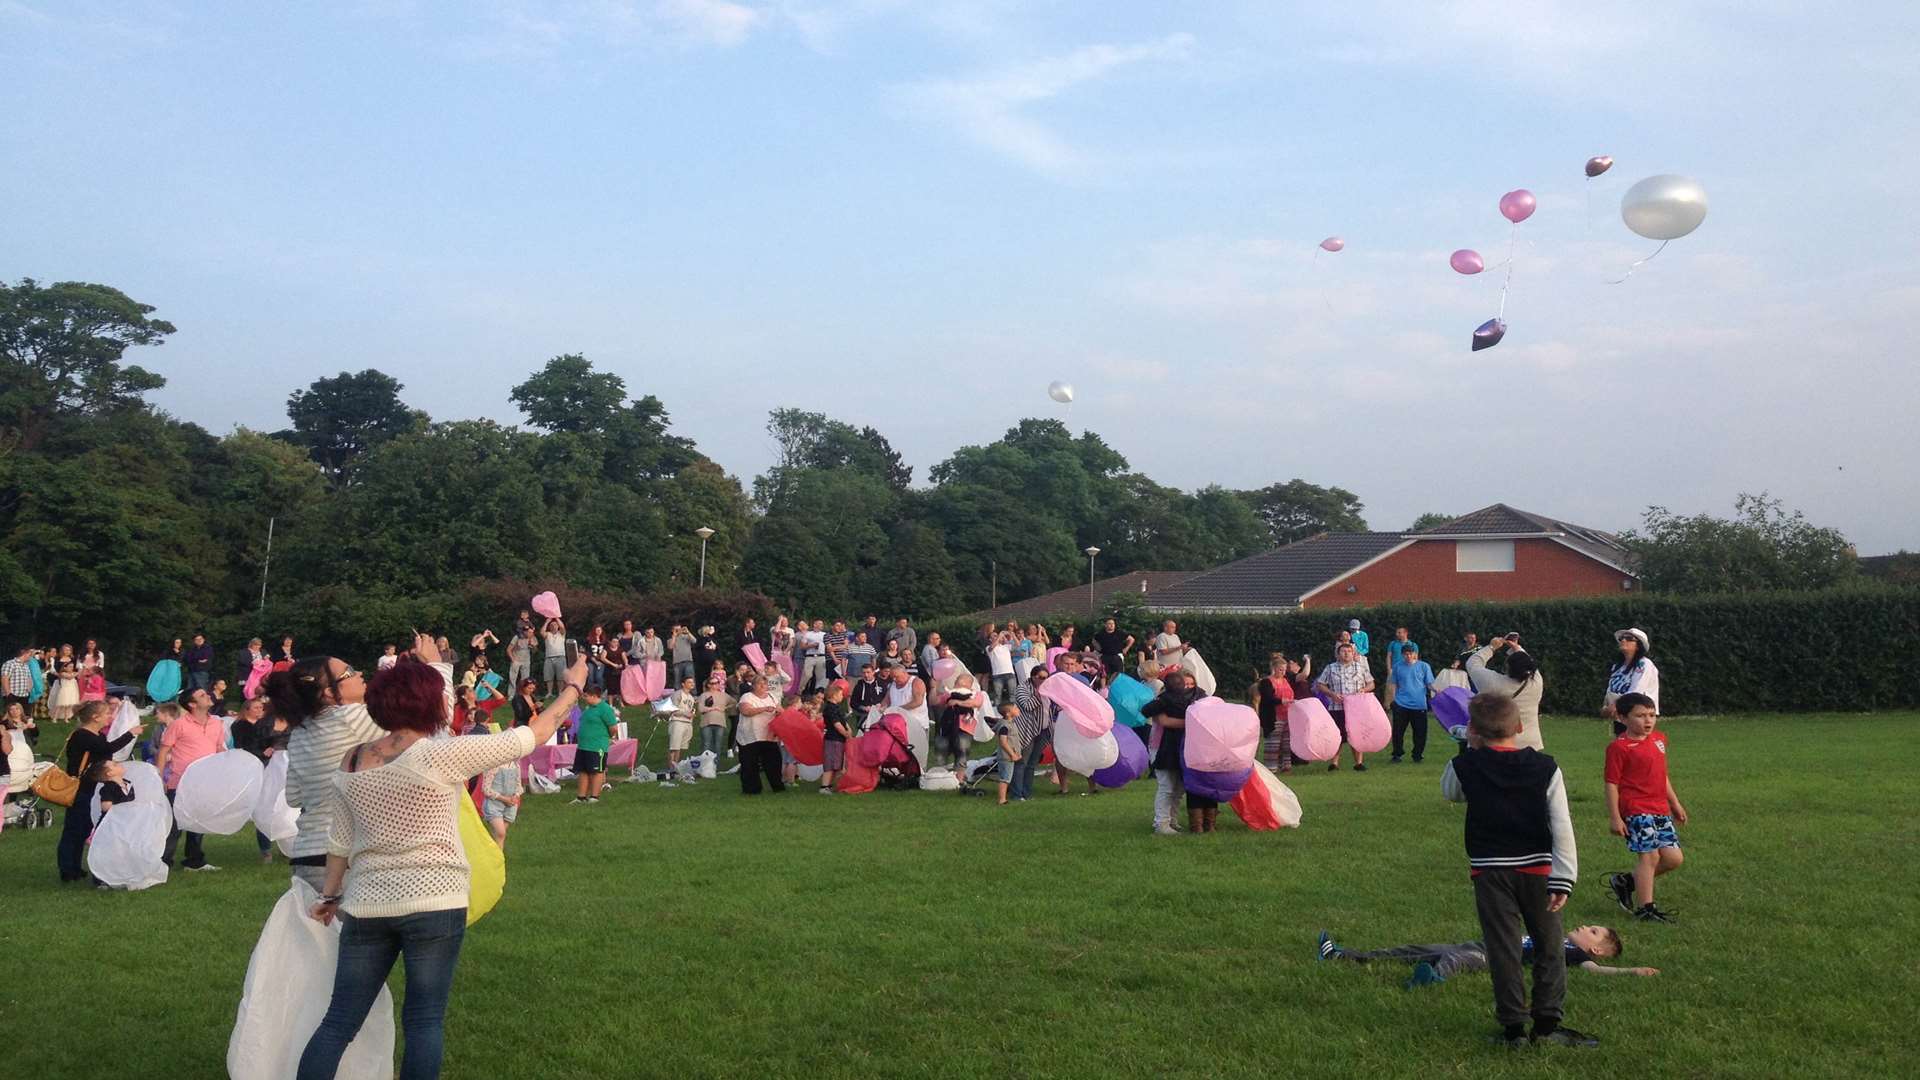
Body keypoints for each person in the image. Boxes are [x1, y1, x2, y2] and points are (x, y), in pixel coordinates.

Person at [295, 636, 582, 1080]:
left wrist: (329, 896)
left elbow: (340, 843)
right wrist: (572, 687)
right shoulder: (439, 753)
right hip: (435, 900)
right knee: (424, 1020)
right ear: (430, 703)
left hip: (367, 903)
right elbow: (537, 733)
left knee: (339, 1022)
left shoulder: (351, 763)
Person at [1439, 692, 1590, 1049]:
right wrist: (1564, 877)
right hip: (1539, 871)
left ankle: (1513, 1030)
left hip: (1490, 873)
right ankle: (1548, 1024)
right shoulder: (1546, 767)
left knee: (1503, 949)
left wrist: (1467, 747)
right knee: (1550, 946)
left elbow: (1452, 792)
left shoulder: (1466, 765)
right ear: (1520, 726)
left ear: (1473, 729)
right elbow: (1562, 824)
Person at [267, 652, 386, 890]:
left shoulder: (300, 732)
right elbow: (425, 734)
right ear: (330, 693)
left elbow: (294, 796)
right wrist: (437, 668)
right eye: (349, 672)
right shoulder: (351, 716)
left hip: (308, 855)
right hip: (349, 854)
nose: (360, 673)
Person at [1316, 925, 1653, 989]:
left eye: (1593, 932)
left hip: (1492, 958)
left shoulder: (1573, 954)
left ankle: (1432, 980)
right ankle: (1344, 956)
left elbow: (1595, 970)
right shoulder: (1553, 935)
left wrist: (1632, 971)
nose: (1584, 927)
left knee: (1458, 960)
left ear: (1593, 949)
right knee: (1418, 950)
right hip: (1480, 943)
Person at [1603, 693, 1687, 924]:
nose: (1648, 721)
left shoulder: (1659, 740)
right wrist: (1615, 817)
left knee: (1673, 858)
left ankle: (1627, 882)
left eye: (1652, 715)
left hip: (1660, 808)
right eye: (1640, 716)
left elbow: (1662, 775)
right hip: (1636, 808)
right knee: (1649, 857)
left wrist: (1675, 803)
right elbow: (1611, 783)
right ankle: (1646, 909)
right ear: (1622, 718)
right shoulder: (1619, 748)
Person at [55, 701, 140, 882]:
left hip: (93, 788)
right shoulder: (83, 736)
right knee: (74, 829)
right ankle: (68, 869)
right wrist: (130, 734)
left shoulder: (97, 735)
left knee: (84, 828)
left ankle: (75, 867)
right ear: (95, 717)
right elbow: (107, 749)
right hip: (81, 788)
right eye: (107, 713)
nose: (110, 717)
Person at [156, 687, 228, 871]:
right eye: (202, 695)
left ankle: (194, 860)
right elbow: (164, 750)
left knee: (198, 821)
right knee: (174, 824)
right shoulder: (179, 724)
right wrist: (159, 776)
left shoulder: (216, 724)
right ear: (192, 704)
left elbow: (219, 747)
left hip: (205, 781)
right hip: (180, 781)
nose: (208, 696)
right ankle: (162, 862)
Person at [1142, 670, 1205, 835]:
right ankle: (1161, 823)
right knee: (1167, 786)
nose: (1187, 687)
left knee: (1178, 788)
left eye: (1191, 684)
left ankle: (1171, 820)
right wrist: (1192, 721)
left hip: (1179, 747)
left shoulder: (1192, 701)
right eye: (1185, 684)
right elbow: (1164, 721)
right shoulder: (1163, 701)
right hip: (1161, 747)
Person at [231, 695, 291, 863]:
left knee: (288, 808)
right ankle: (266, 850)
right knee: (265, 807)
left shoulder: (295, 723)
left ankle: (289, 847)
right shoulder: (262, 725)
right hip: (266, 769)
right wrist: (265, 750)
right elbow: (251, 745)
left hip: (288, 768)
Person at [1466, 638, 1545, 751]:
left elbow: (1472, 663)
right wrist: (1517, 647)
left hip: (1492, 744)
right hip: (1530, 744)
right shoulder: (1536, 681)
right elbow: (1529, 663)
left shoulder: (1492, 682)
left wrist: (1491, 647)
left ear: (1507, 668)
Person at [1312, 643, 1375, 771]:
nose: (1346, 653)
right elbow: (1320, 684)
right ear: (1338, 654)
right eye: (1343, 651)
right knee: (1337, 735)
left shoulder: (1361, 668)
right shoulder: (1330, 668)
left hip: (1356, 707)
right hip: (1336, 707)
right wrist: (1332, 694)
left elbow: (1371, 684)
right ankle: (1334, 763)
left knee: (1356, 734)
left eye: (1349, 651)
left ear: (1353, 654)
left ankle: (1358, 762)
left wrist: (1364, 690)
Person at [1602, 629, 1660, 735]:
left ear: (1638, 646)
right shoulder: (1618, 666)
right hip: (1621, 715)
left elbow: (1637, 689)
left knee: (1637, 747)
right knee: (1622, 747)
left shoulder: (1644, 664)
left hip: (1639, 716)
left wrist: (1616, 705)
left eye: (1629, 639)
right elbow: (1611, 689)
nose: (1623, 641)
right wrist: (1606, 707)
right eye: (1621, 639)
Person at [571, 684, 620, 804]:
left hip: (597, 746)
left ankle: (594, 796)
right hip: (583, 746)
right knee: (583, 770)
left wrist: (607, 737)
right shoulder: (588, 709)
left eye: (586, 696)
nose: (584, 698)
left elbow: (613, 727)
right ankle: (581, 797)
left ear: (594, 696)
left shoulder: (605, 709)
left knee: (597, 771)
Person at [734, 676, 782, 795]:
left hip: (768, 735)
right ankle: (752, 789)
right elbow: (746, 711)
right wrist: (764, 708)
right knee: (750, 764)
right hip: (750, 736)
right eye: (759, 684)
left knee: (774, 763)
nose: (762, 686)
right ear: (753, 686)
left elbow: (781, 710)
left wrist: (779, 712)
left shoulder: (772, 697)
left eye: (764, 684)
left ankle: (778, 787)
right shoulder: (747, 697)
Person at [1389, 644, 1437, 764]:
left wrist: (1437, 691)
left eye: (1410, 653)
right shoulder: (1397, 667)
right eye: (1406, 654)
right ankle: (1397, 754)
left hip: (1419, 704)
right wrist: (1393, 699)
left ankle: (1417, 755)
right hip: (1401, 704)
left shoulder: (1424, 666)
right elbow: (1393, 684)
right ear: (1402, 655)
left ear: (1415, 654)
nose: (1408, 656)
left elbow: (1429, 683)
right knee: (1398, 732)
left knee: (1420, 732)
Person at [1010, 669, 1051, 802]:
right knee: (1021, 762)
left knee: (1032, 764)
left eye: (1046, 677)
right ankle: (1016, 794)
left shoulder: (1049, 688)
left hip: (1043, 730)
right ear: (1033, 677)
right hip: (1027, 730)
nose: (1044, 680)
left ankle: (1026, 793)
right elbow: (1028, 706)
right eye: (1041, 677)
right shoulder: (1022, 688)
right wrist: (1039, 692)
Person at [1254, 653, 1295, 774]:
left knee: (1286, 743)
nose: (1283, 672)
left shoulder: (1286, 681)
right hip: (1274, 716)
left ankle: (1286, 766)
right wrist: (1282, 701)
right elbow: (1267, 699)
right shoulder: (1266, 682)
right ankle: (1271, 768)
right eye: (1280, 669)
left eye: (1284, 670)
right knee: (1274, 743)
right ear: (1274, 669)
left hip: (1287, 715)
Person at [938, 674, 983, 775]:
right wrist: (933, 687)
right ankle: (942, 775)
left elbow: (975, 703)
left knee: (962, 752)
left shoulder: (977, 694)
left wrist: (957, 702)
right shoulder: (951, 693)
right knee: (943, 750)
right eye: (956, 683)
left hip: (965, 728)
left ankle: (960, 778)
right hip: (948, 726)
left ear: (967, 684)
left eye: (958, 683)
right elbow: (936, 701)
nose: (955, 685)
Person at [480, 755, 522, 851]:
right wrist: (504, 799)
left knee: (499, 836)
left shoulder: (515, 766)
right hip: (494, 805)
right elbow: (486, 789)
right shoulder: (494, 766)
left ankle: (496, 858)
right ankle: (495, 858)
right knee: (500, 832)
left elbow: (518, 786)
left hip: (510, 806)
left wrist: (516, 795)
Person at [820, 679, 852, 793]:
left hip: (838, 739)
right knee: (830, 763)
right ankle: (824, 786)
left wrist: (848, 729)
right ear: (833, 695)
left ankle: (830, 785)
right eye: (840, 695)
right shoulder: (830, 708)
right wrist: (846, 733)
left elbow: (842, 721)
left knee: (837, 763)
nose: (842, 697)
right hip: (833, 739)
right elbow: (837, 724)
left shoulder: (837, 708)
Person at [697, 676, 733, 759]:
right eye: (713, 683)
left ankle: (715, 765)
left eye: (717, 683)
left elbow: (734, 702)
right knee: (706, 744)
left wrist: (725, 708)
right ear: (709, 685)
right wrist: (713, 708)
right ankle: (704, 765)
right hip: (707, 722)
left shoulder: (724, 695)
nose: (716, 685)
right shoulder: (704, 695)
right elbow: (700, 709)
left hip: (720, 722)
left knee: (718, 745)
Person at [666, 676, 697, 773]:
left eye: (692, 682)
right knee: (674, 746)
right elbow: (673, 710)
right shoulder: (678, 694)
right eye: (689, 682)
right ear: (683, 684)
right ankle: (671, 768)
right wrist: (685, 713)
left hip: (687, 722)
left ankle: (676, 767)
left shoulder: (691, 698)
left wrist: (691, 714)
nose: (692, 684)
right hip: (677, 721)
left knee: (681, 747)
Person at [992, 707, 1022, 805]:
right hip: (1006, 757)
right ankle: (1002, 799)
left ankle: (1003, 798)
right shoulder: (1004, 726)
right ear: (1008, 713)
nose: (1018, 709)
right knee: (1005, 778)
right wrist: (1012, 754)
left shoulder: (1011, 724)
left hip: (1009, 756)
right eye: (1015, 708)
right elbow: (1003, 742)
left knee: (1006, 777)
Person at [541, 617, 568, 697]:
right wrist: (547, 622)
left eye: (555, 625)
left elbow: (563, 627)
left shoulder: (561, 633)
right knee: (549, 676)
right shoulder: (548, 634)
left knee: (560, 676)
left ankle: (560, 692)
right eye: (552, 625)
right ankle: (549, 692)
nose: (553, 626)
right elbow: (542, 632)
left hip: (560, 657)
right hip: (549, 657)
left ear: (558, 626)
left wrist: (556, 618)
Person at [670, 624, 697, 689]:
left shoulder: (686, 637)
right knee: (677, 680)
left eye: (679, 629)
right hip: (677, 662)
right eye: (676, 630)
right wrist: (674, 636)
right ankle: (677, 695)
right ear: (672, 630)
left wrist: (688, 632)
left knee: (690, 679)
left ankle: (693, 695)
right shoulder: (671, 639)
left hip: (688, 661)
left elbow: (694, 641)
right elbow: (670, 647)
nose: (678, 631)